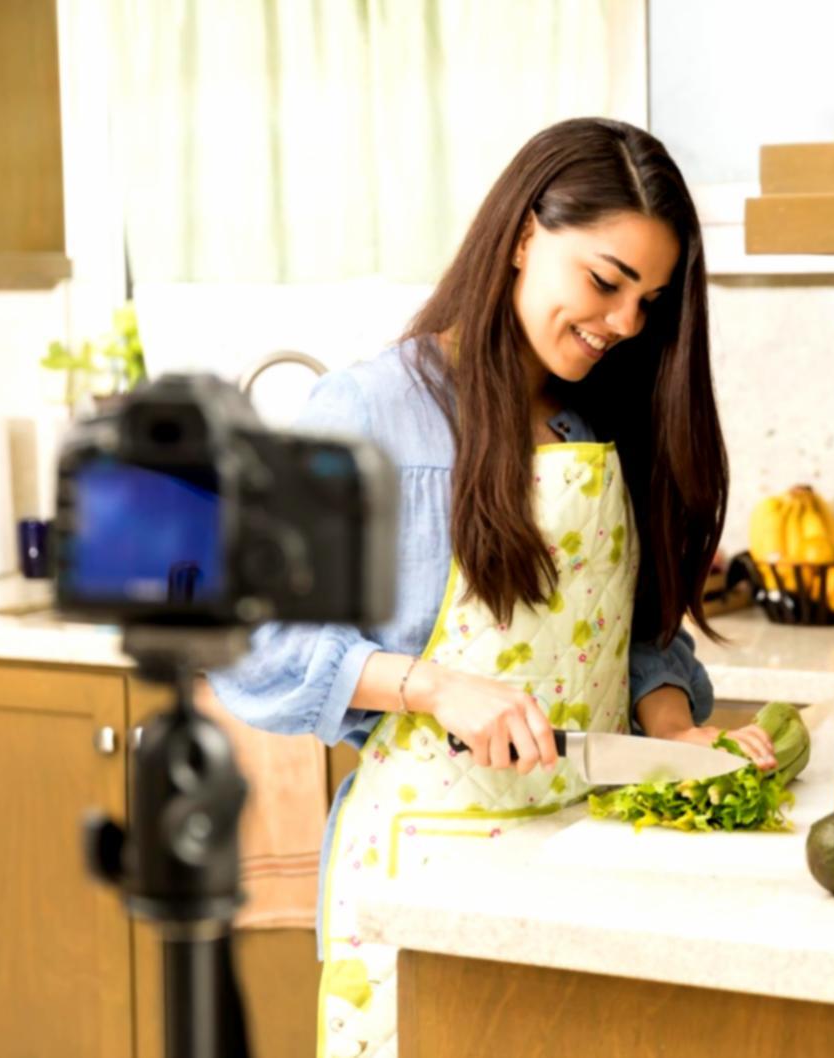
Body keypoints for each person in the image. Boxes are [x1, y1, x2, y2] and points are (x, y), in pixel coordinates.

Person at [207, 116, 775, 1055]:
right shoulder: (371, 412)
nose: (625, 323)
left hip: (591, 857)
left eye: (649, 299)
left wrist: (675, 733)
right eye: (605, 281)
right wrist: (433, 687)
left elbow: (632, 630)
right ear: (522, 236)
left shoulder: (602, 414)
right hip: (423, 881)